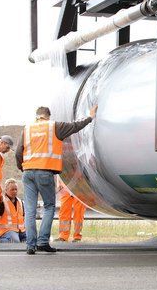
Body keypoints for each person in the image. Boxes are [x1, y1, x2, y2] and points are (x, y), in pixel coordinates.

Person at [16, 105, 98, 255]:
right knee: (48, 206)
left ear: (37, 116)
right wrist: (90, 117)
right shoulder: (54, 126)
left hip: (28, 172)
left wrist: (22, 167)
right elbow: (75, 126)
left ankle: (30, 245)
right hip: (45, 172)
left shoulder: (27, 129)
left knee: (29, 210)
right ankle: (42, 242)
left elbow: (18, 152)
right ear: (48, 116)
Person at [55, 176, 86, 243]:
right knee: (64, 212)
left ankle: (77, 236)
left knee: (79, 212)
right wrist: (59, 184)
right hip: (66, 186)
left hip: (80, 185)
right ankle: (63, 236)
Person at [0, 178, 26, 243]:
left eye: (16, 189)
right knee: (15, 241)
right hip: (6, 231)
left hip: (21, 231)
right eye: (12, 190)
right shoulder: (2, 202)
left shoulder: (20, 202)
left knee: (32, 240)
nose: (15, 191)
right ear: (6, 190)